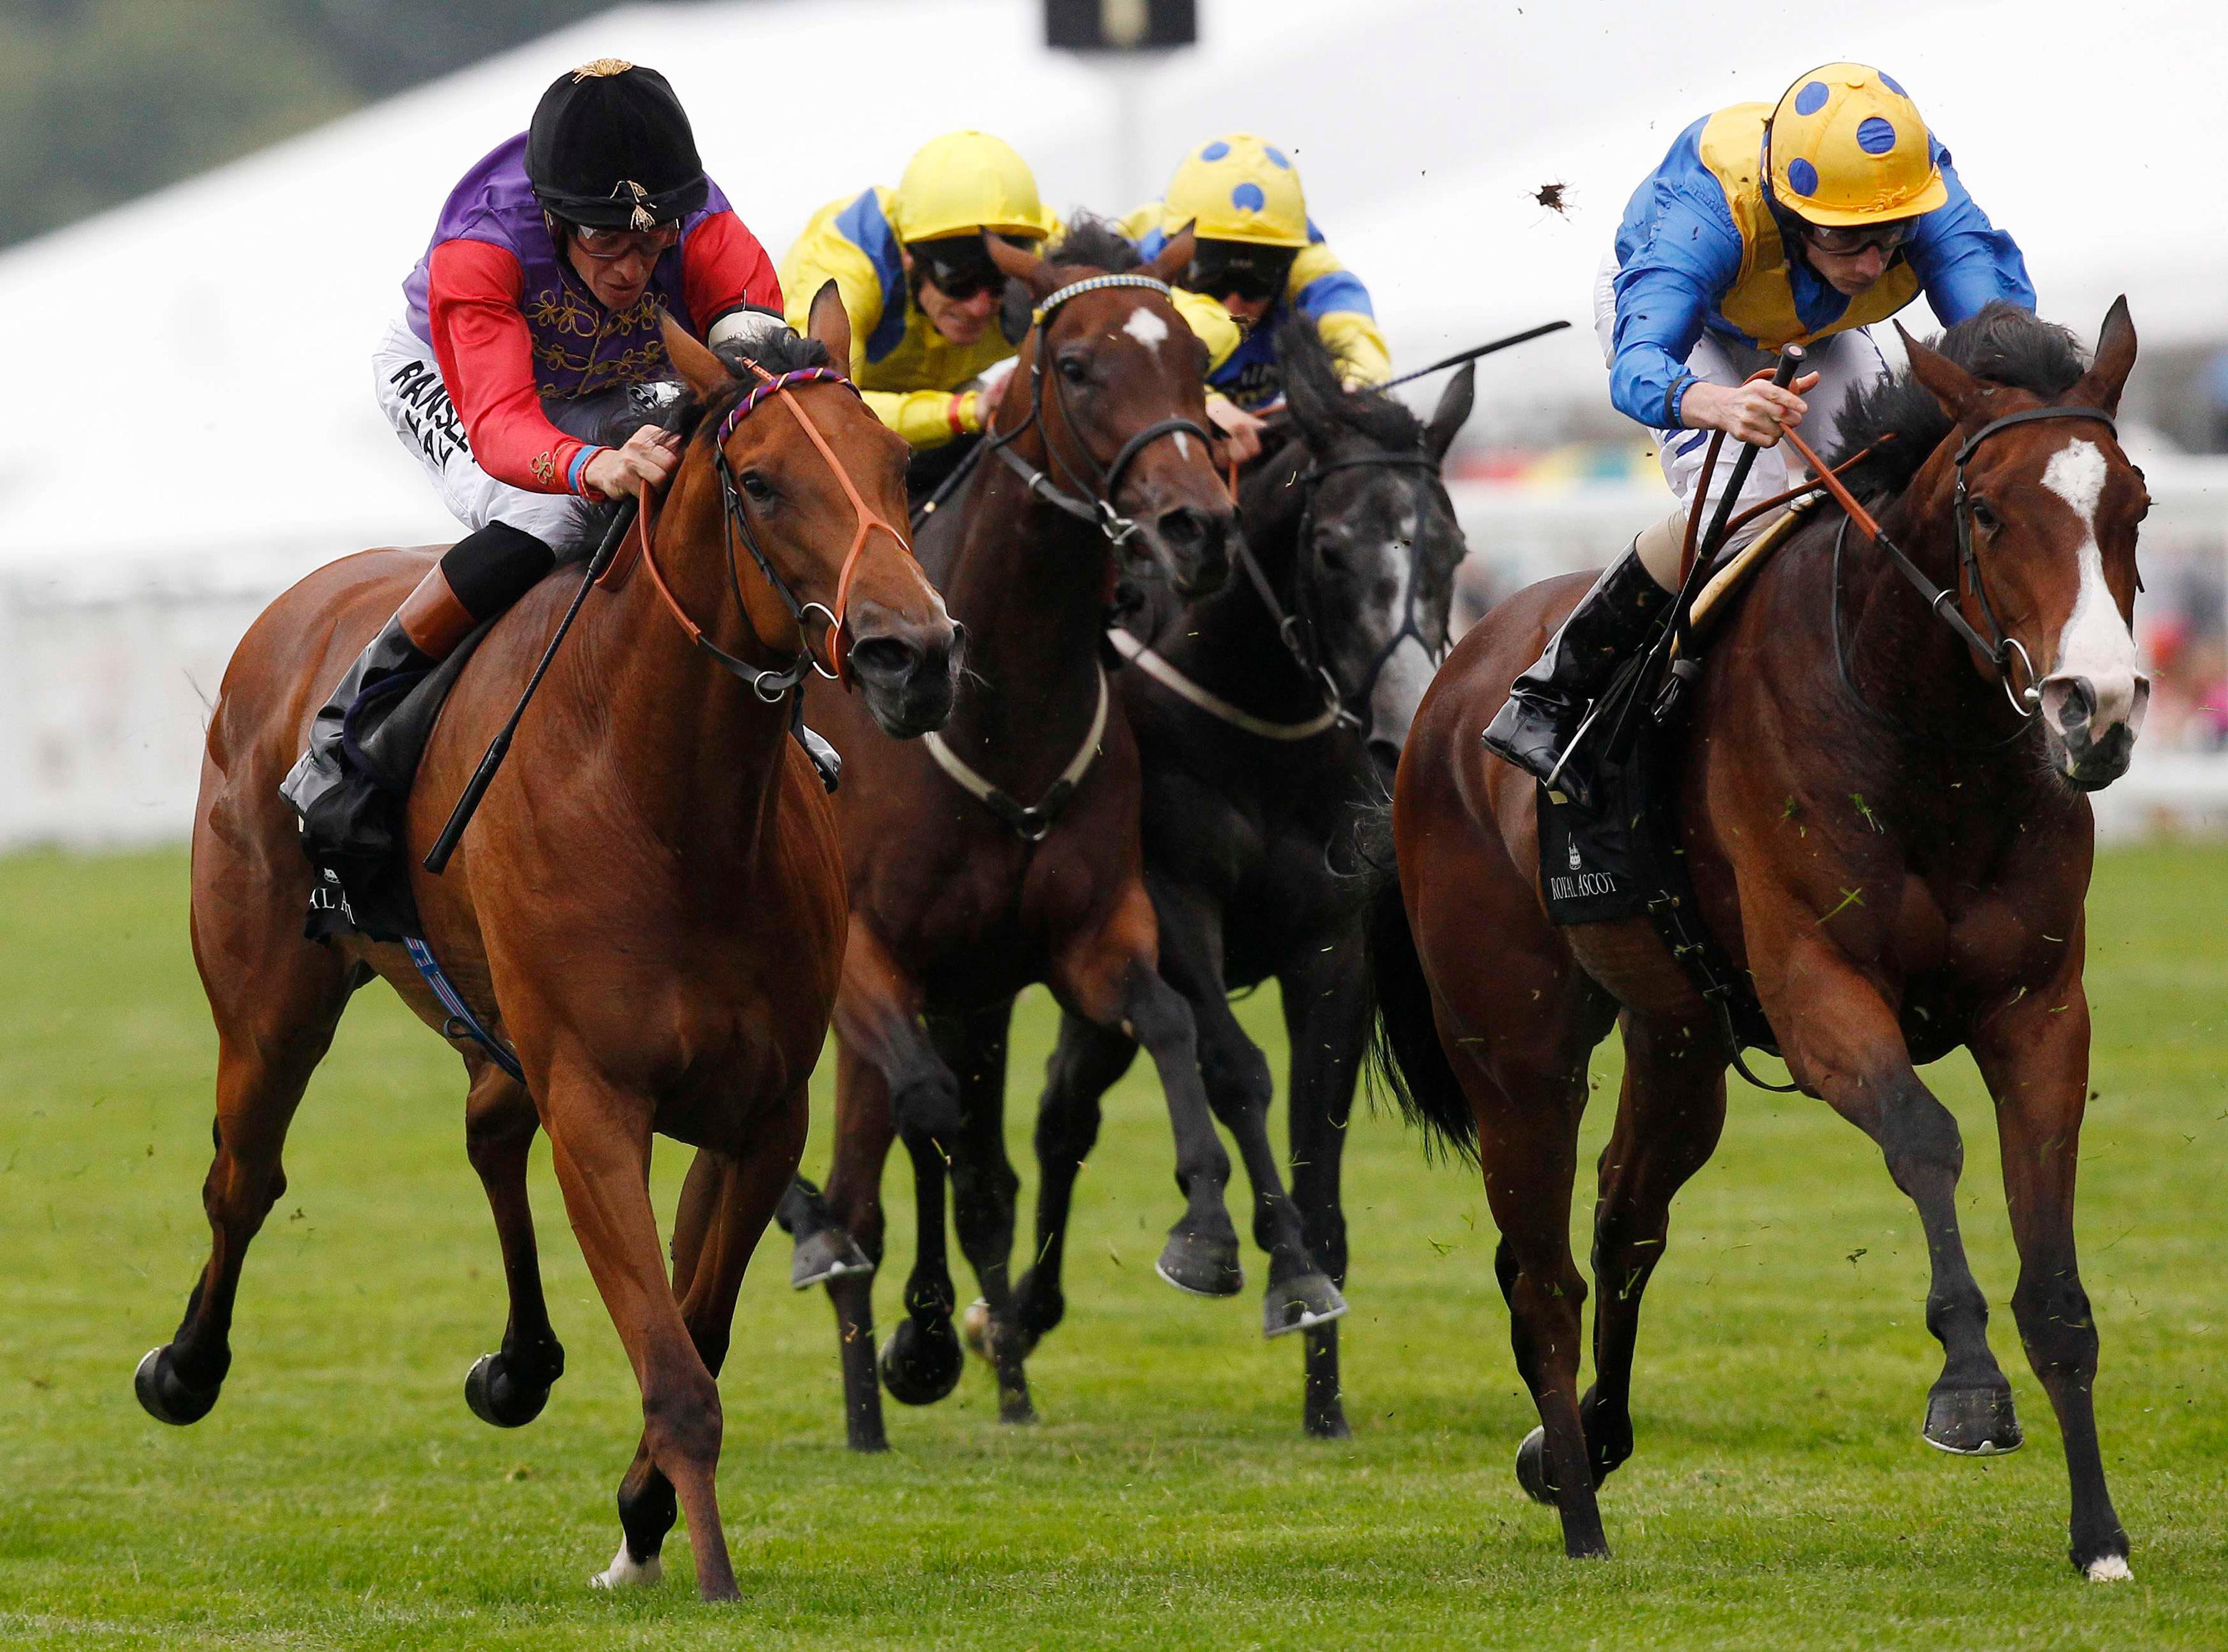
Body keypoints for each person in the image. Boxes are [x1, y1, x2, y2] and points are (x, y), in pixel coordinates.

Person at [1482, 63, 2035, 799]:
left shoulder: (1914, 192)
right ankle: (1559, 688)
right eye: (1849, 241)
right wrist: (1716, 403)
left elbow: (2004, 336)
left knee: (1882, 483)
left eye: (1889, 237)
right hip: (1690, 331)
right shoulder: (1709, 208)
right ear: (1794, 211)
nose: (1874, 263)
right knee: (1750, 509)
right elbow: (1640, 365)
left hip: (1815, 329)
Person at [281, 59, 786, 847]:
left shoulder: (706, 223)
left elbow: (754, 377)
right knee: (551, 508)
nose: (631, 268)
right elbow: (504, 428)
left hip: (616, 381)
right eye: (606, 240)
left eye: (652, 242)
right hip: (457, 378)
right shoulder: (481, 246)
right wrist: (594, 466)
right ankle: (349, 732)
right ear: (553, 217)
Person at [1123, 133, 1391, 463]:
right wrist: (1206, 405)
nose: (1233, 309)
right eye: (1214, 284)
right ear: (1175, 257)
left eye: (1255, 284)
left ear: (1287, 265)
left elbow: (1354, 335)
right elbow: (1127, 368)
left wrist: (1358, 392)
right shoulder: (1129, 265)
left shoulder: (1311, 270)